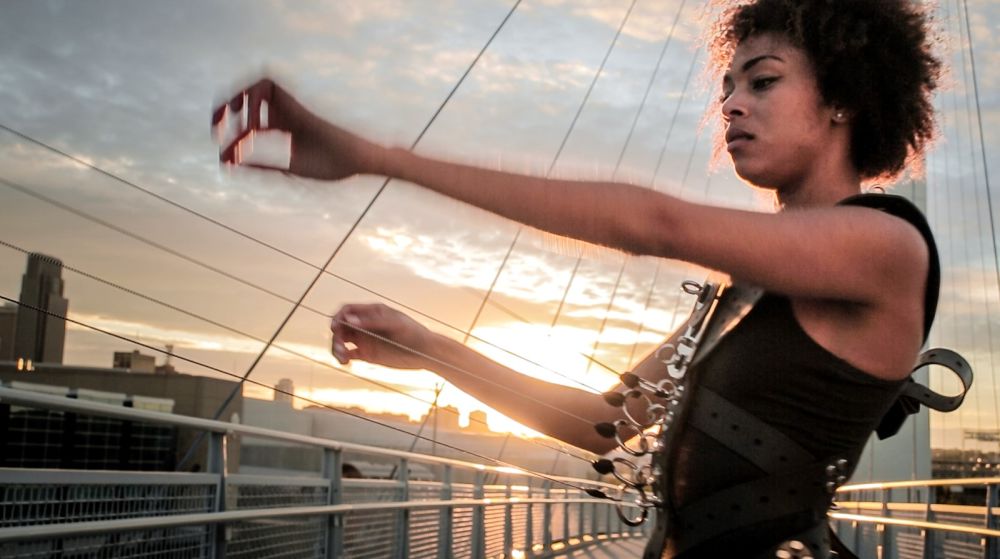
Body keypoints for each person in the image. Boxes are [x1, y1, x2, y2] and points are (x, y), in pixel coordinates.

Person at [212, 0, 941, 556]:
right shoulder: (745, 293)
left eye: (763, 80)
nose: (731, 104)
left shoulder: (888, 246)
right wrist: (430, 349)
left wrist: (380, 158)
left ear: (843, 96)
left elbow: (658, 224)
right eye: (727, 86)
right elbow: (601, 422)